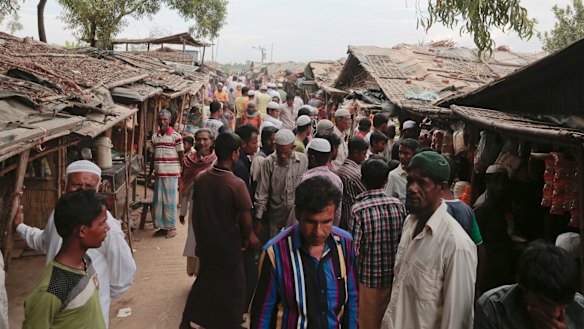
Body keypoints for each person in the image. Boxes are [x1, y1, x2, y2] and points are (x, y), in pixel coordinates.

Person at [15, 160, 135, 327]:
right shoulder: (51, 290)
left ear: (98, 189)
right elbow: (45, 241)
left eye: (89, 187)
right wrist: (20, 227)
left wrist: (94, 296)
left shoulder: (87, 262)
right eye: (76, 186)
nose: (82, 193)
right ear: (64, 184)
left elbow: (123, 276)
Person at [381, 151, 477, 329]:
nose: (412, 188)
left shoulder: (456, 245)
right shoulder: (409, 223)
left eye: (422, 183)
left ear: (441, 188)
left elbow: (457, 321)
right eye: (410, 181)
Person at [250, 176, 358, 329]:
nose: (318, 232)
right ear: (298, 215)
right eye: (311, 222)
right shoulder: (276, 252)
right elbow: (262, 314)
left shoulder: (345, 245)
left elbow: (352, 301)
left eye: (326, 222)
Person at [180, 133, 260, 329]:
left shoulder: (202, 178)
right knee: (236, 287)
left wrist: (198, 240)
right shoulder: (235, 184)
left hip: (207, 241)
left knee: (205, 281)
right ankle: (231, 323)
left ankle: (188, 319)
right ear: (235, 154)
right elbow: (245, 219)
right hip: (227, 244)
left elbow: (196, 214)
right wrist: (249, 237)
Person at [23, 190, 109, 329]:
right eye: (102, 223)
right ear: (82, 231)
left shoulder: (85, 261)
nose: (107, 228)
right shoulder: (51, 290)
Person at [475, 242, 584, 329]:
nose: (554, 313)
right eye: (544, 302)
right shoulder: (493, 307)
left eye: (563, 305)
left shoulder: (580, 308)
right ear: (521, 284)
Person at [351, 159, 406, 329]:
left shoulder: (358, 209)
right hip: (394, 277)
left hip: (368, 280)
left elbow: (354, 251)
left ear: (362, 179)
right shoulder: (398, 206)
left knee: (368, 323)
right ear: (386, 181)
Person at [254, 129, 308, 238]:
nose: (283, 156)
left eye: (286, 153)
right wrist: (258, 219)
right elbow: (262, 192)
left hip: (296, 217)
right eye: (280, 152)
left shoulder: (303, 160)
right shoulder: (268, 162)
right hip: (276, 218)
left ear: (293, 148)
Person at [474, 164, 516, 293]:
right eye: (496, 182)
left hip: (500, 263)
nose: (500, 187)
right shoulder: (482, 206)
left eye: (503, 183)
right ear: (488, 182)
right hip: (489, 266)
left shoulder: (500, 201)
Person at [181, 129, 216, 276]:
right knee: (194, 239)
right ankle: (197, 273)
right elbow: (185, 188)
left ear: (212, 141)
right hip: (195, 207)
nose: (202, 142)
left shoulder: (216, 161)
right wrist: (182, 211)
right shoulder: (189, 160)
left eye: (205, 139)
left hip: (212, 208)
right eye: (199, 139)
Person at [286, 138, 343, 227]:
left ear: (311, 158)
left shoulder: (306, 179)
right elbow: (337, 212)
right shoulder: (337, 180)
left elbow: (298, 212)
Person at [149, 110, 184, 238]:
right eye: (160, 119)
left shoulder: (176, 136)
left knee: (169, 201)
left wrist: (182, 171)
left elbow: (181, 156)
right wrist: (150, 173)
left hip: (171, 173)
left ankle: (172, 227)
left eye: (165, 119)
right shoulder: (154, 137)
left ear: (169, 121)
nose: (162, 121)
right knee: (159, 202)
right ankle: (162, 227)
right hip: (159, 173)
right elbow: (152, 157)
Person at [337, 137, 368, 230]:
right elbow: (366, 192)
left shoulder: (342, 168)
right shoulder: (354, 174)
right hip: (352, 216)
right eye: (364, 154)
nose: (365, 157)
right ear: (355, 153)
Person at [384, 138, 419, 205]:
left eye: (406, 153)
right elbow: (388, 199)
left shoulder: (421, 174)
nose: (402, 156)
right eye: (400, 152)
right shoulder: (393, 175)